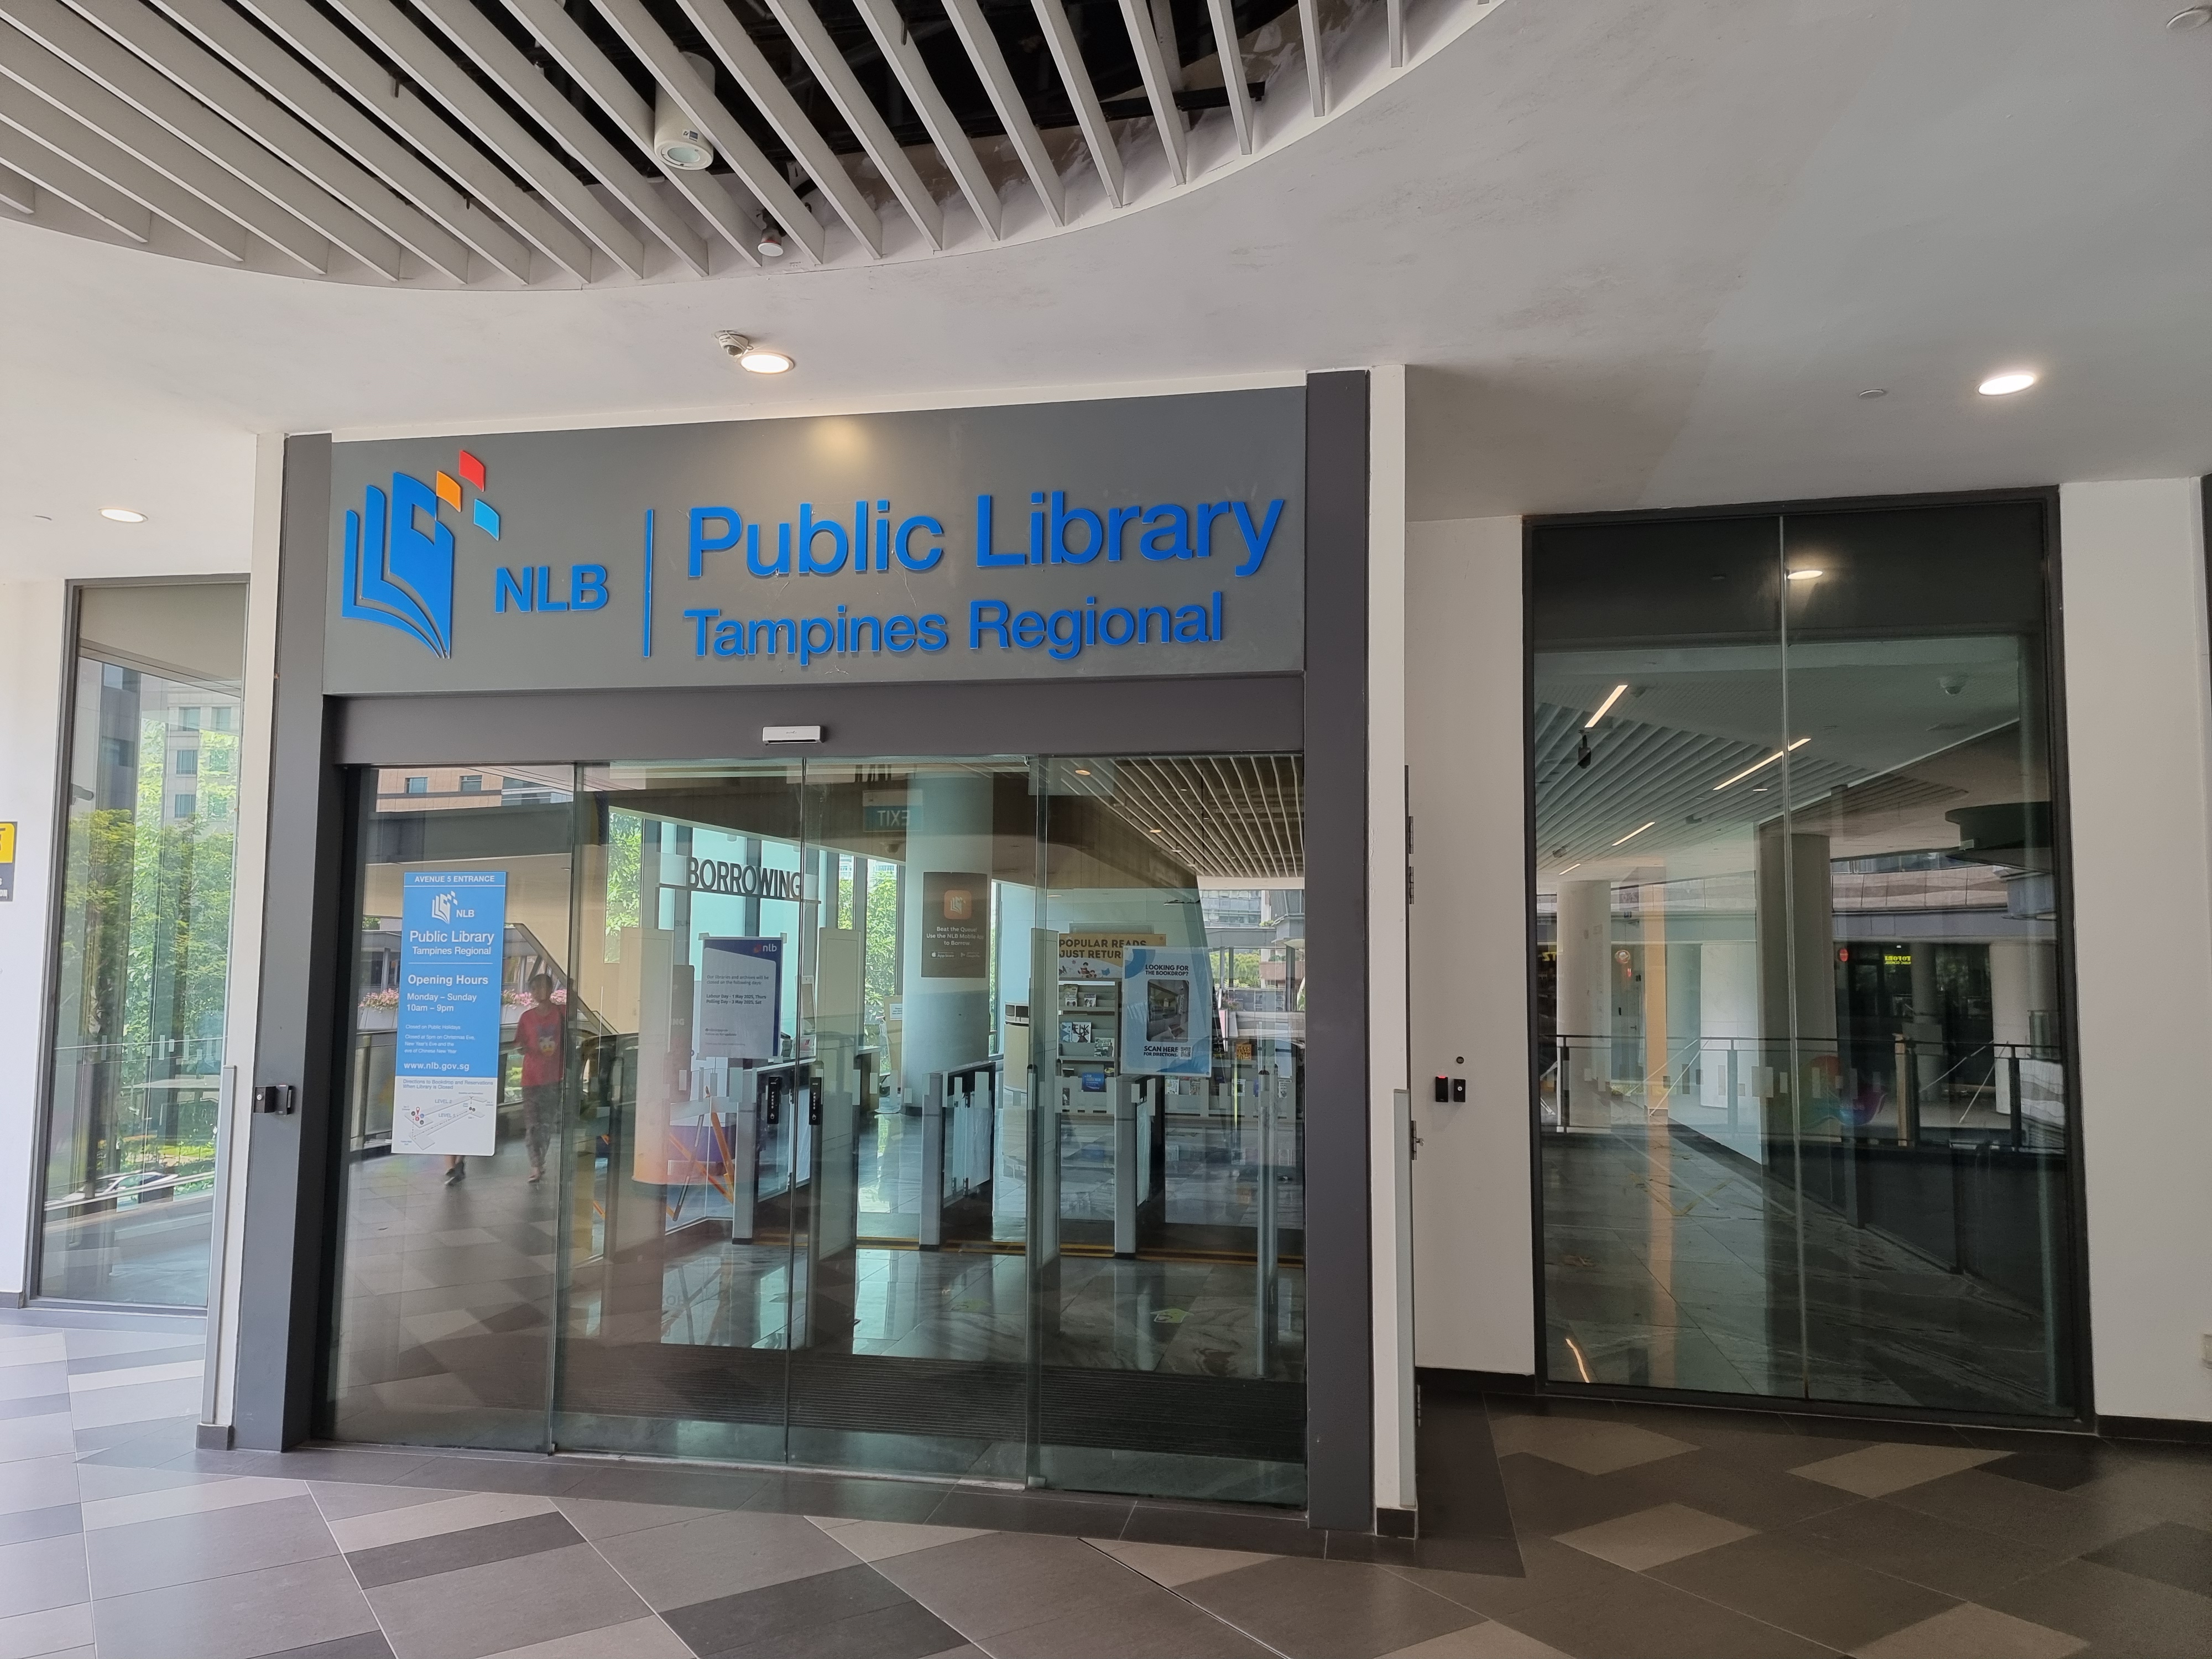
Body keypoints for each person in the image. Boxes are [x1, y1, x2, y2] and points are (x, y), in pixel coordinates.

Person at [515, 972, 565, 1183]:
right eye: (534, 989)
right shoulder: (527, 1017)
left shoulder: (561, 1013)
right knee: (532, 1124)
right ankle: (535, 1165)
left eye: (542, 987)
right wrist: (524, 1048)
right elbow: (519, 1044)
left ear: (551, 989)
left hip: (554, 1078)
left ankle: (540, 1160)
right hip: (531, 1079)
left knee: (546, 1124)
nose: (537, 992)